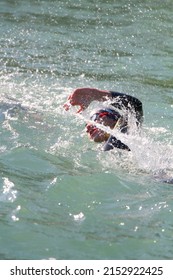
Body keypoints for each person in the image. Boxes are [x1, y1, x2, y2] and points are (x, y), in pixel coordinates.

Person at [63, 88, 143, 151]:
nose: (87, 127)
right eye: (86, 125)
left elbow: (135, 106)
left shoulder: (126, 134)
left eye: (94, 118)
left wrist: (95, 94)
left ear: (113, 119)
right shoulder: (104, 150)